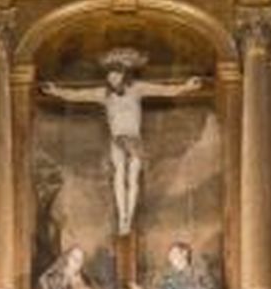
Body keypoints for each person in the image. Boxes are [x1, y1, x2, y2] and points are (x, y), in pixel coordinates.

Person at [40, 48, 203, 236]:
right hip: (117, 139)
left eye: (116, 75)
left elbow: (164, 90)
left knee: (132, 179)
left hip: (134, 139)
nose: (113, 79)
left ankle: (129, 218)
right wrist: (56, 91)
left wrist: (186, 87)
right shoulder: (104, 94)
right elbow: (78, 94)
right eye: (110, 76)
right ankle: (122, 217)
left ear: (124, 75)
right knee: (119, 175)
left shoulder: (137, 89)